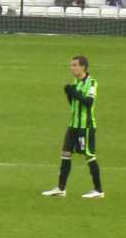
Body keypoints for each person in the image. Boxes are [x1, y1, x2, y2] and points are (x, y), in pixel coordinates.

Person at [42, 55, 103, 199]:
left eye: (74, 65)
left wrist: (73, 92)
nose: (72, 68)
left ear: (83, 67)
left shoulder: (92, 83)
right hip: (73, 125)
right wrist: (69, 94)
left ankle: (99, 190)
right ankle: (61, 188)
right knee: (65, 154)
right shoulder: (75, 82)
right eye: (71, 65)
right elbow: (74, 104)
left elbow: (88, 102)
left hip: (85, 127)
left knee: (89, 156)